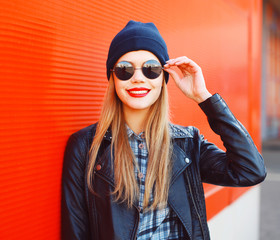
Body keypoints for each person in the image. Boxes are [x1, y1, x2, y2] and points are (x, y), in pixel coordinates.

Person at [61, 20, 266, 240]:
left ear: (163, 78)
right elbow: (75, 232)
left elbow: (250, 171)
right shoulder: (85, 146)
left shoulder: (187, 143)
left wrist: (204, 98)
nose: (138, 77)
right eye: (125, 69)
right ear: (112, 77)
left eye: (151, 69)